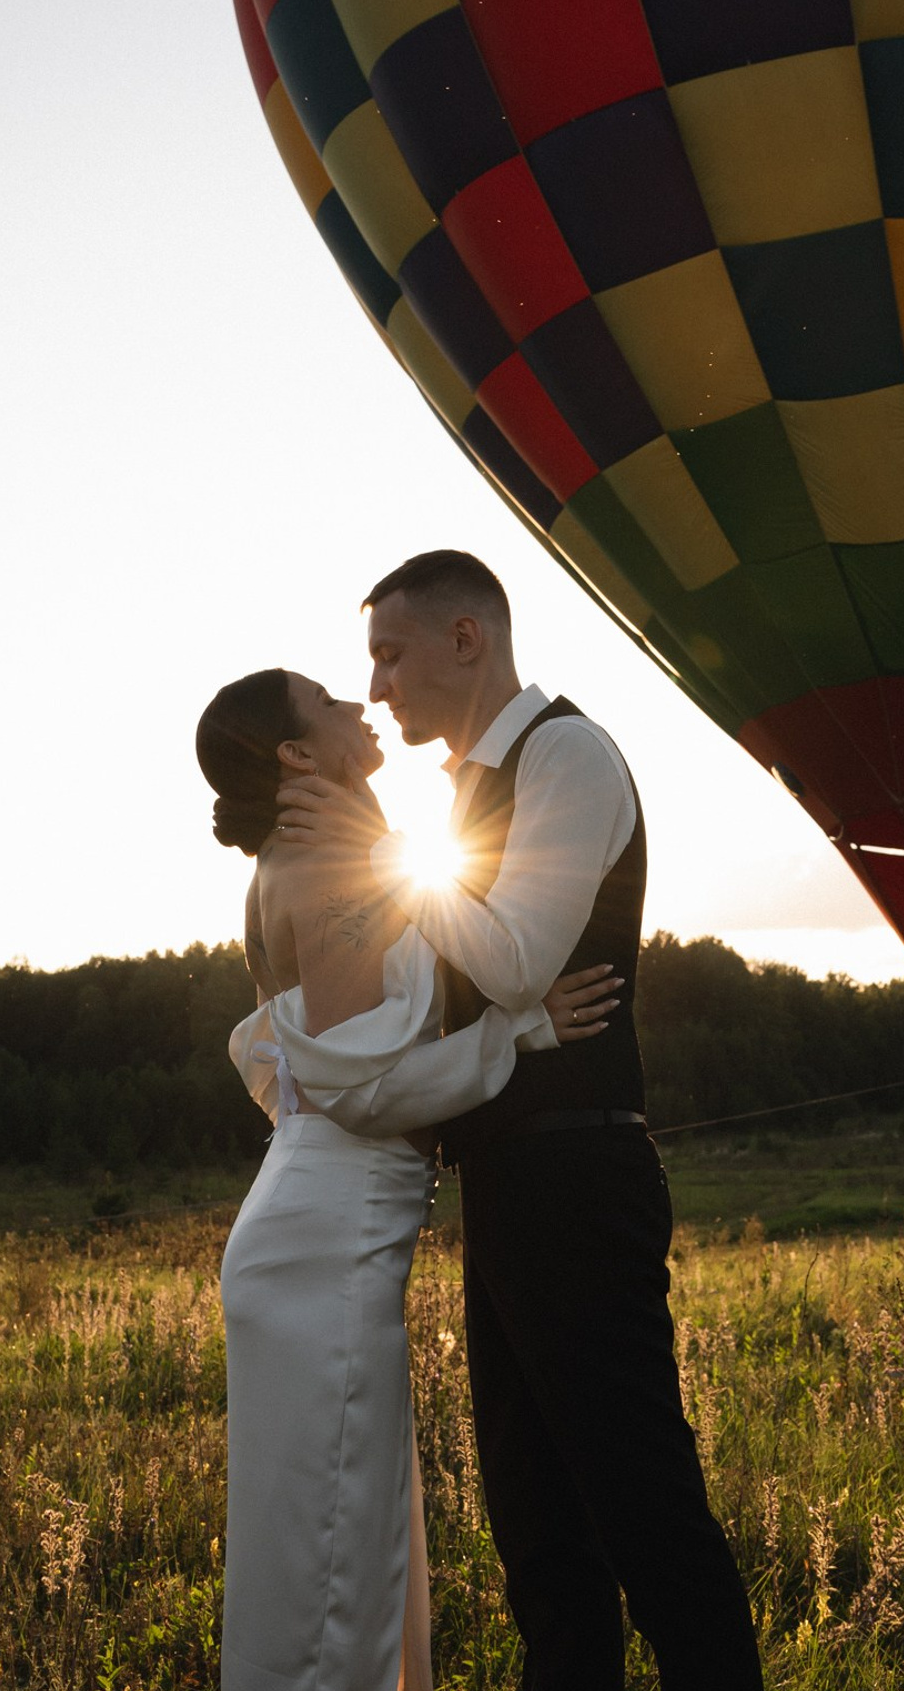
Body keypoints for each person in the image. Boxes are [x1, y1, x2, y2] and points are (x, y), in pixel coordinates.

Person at [275, 551, 763, 1691]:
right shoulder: (461, 792)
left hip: (580, 1174)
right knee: (541, 1540)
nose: (379, 687)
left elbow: (513, 961)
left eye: (389, 655)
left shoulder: (569, 757)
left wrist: (391, 860)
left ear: (467, 640)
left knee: (646, 1513)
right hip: (506, 1185)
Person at [197, 666, 620, 1691]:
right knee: (332, 1551)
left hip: (325, 1229)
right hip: (324, 1245)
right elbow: (358, 1088)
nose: (359, 704)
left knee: (348, 1533)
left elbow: (303, 1065)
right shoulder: (326, 865)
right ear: (299, 754)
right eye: (330, 702)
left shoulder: (327, 854)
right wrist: (522, 1027)